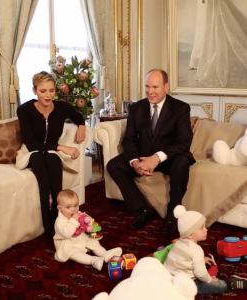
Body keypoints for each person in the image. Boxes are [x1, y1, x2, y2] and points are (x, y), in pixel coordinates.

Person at [107, 69, 195, 236]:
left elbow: (183, 143)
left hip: (168, 158)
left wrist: (156, 158)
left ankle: (172, 215)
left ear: (166, 87)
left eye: (155, 87)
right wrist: (135, 162)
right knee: (114, 165)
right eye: (147, 87)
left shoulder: (180, 108)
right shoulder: (136, 108)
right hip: (143, 156)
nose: (150, 91)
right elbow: (129, 140)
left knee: (182, 162)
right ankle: (144, 208)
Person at [16, 71, 86, 236]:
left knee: (52, 160)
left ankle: (60, 218)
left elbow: (79, 117)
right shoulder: (24, 110)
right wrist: (61, 147)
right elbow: (31, 142)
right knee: (40, 160)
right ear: (34, 91)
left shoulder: (62, 108)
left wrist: (81, 127)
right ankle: (48, 225)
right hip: (32, 151)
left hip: (52, 153)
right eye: (42, 91)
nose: (48, 95)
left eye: (51, 90)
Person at [165, 205, 247, 295]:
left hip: (170, 279)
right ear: (190, 235)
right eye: (202, 228)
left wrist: (202, 259)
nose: (206, 230)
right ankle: (231, 282)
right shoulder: (196, 250)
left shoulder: (178, 243)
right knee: (215, 286)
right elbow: (200, 273)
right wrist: (209, 280)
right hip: (185, 283)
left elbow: (183, 257)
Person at [53, 189, 122, 270]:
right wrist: (74, 221)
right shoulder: (60, 221)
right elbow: (66, 233)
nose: (73, 209)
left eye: (75, 205)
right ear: (60, 208)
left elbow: (89, 222)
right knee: (74, 254)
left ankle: (105, 254)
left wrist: (87, 219)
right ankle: (94, 260)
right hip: (68, 244)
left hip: (81, 238)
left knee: (94, 243)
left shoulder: (78, 214)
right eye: (68, 207)